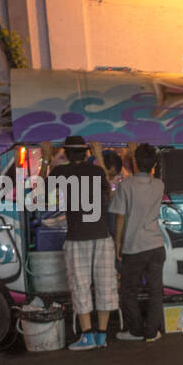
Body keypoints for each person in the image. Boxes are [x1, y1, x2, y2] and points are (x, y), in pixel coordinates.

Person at [52, 135, 114, 350]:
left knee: (80, 285)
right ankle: (102, 335)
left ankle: (87, 335)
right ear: (86, 152)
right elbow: (108, 187)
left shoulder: (60, 172)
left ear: (66, 153)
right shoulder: (97, 171)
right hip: (102, 236)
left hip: (77, 237)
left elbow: (40, 192)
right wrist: (99, 158)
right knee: (105, 284)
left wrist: (45, 158)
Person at [112, 143, 167, 343]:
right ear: (153, 164)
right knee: (155, 291)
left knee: (128, 290)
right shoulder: (159, 185)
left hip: (134, 246)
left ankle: (135, 331)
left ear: (135, 162)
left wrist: (118, 244)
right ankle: (152, 332)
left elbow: (119, 218)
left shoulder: (125, 185)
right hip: (156, 245)